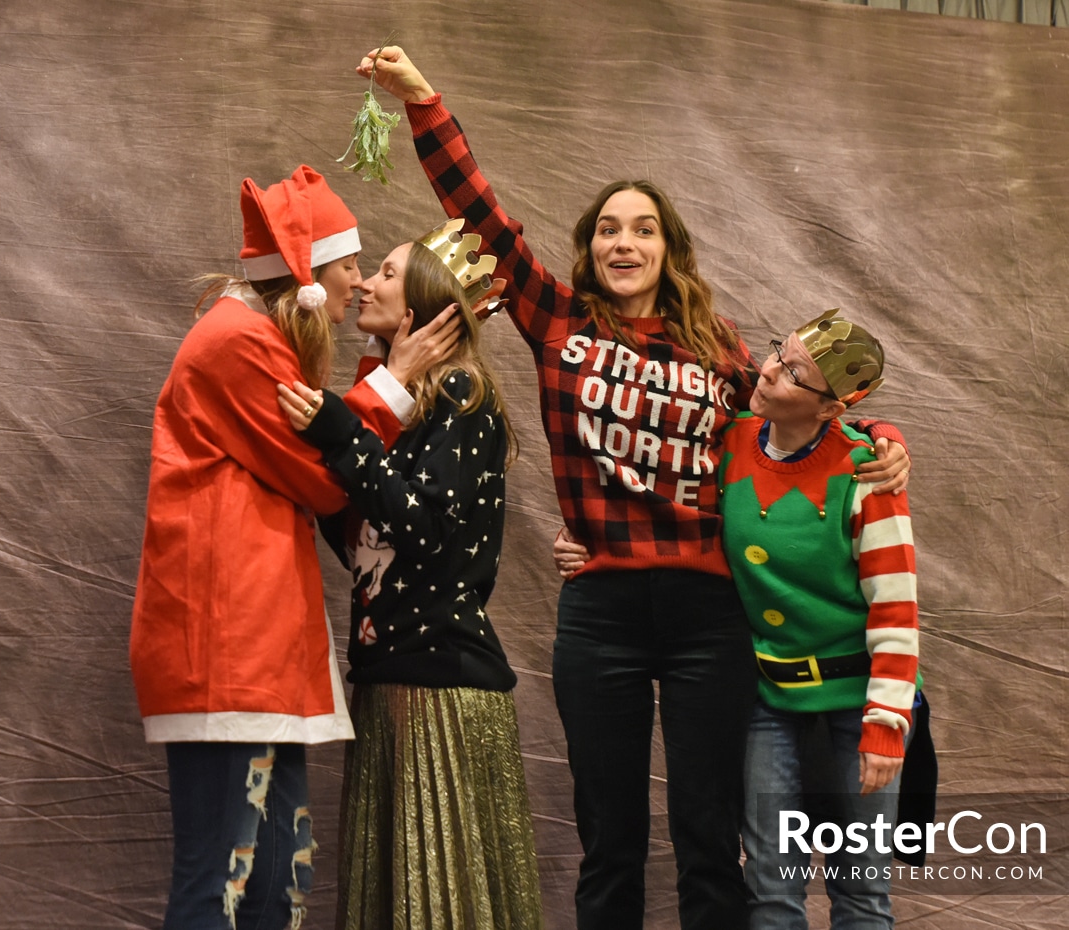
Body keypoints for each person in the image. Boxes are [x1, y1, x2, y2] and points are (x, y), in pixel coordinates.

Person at [357, 47, 912, 930]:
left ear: (669, 248)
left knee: (707, 833)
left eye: (643, 228)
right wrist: (425, 104)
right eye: (609, 228)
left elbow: (804, 416)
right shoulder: (557, 320)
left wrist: (881, 437)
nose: (624, 241)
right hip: (601, 609)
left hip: (707, 615)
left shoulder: (720, 348)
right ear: (590, 248)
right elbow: (482, 218)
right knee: (607, 834)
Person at [128, 165, 458, 930]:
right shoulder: (236, 342)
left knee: (276, 887)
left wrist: (383, 378)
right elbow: (324, 476)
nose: (356, 288)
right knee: (227, 886)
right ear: (308, 276)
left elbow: (324, 444)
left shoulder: (251, 336)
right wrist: (398, 377)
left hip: (258, 649)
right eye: (352, 267)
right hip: (227, 648)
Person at [278, 220, 542, 930]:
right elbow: (366, 542)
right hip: (389, 675)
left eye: (387, 273)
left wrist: (343, 433)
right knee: (397, 898)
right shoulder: (408, 404)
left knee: (438, 906)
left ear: (429, 303)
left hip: (440, 689)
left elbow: (424, 531)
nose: (364, 281)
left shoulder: (461, 394)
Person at [720, 311, 919, 928]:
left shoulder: (865, 473)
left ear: (829, 409)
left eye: (794, 372)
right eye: (780, 350)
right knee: (770, 884)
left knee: (860, 892)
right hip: (767, 696)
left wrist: (886, 723)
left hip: (856, 699)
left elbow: (895, 604)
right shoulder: (729, 442)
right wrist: (582, 539)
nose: (770, 368)